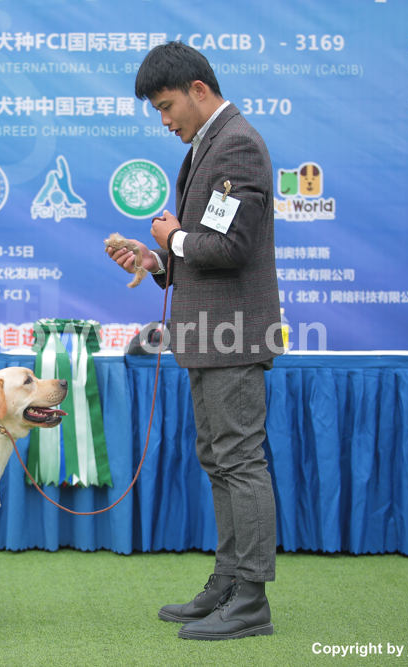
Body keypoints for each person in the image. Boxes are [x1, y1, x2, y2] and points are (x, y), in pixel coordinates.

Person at [106, 41, 282, 641]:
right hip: (210, 335)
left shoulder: (236, 144)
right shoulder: (210, 144)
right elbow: (204, 250)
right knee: (220, 459)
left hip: (233, 336)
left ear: (198, 90)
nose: (163, 120)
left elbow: (230, 248)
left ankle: (250, 598)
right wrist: (157, 259)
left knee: (239, 461)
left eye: (166, 105)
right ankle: (228, 581)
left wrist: (173, 238)